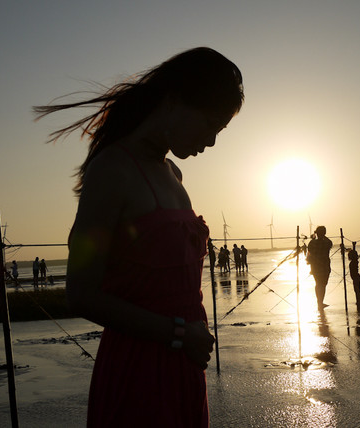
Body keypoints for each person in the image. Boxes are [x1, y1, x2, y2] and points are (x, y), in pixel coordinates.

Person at [34, 47, 243, 427]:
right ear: (175, 100)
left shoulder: (174, 175)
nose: (211, 141)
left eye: (220, 130)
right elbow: (80, 293)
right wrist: (179, 333)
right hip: (140, 373)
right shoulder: (112, 170)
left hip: (184, 368)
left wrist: (189, 338)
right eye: (210, 124)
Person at [306, 225, 333, 308]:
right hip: (325, 267)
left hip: (315, 267)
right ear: (324, 233)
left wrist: (314, 236)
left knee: (318, 284)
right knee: (323, 285)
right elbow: (330, 244)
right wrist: (323, 236)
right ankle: (320, 302)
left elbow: (309, 250)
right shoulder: (326, 242)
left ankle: (319, 302)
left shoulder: (312, 243)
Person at [348, 243, 360, 311]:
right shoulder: (354, 261)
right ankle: (358, 301)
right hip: (356, 278)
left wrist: (354, 246)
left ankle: (359, 301)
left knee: (357, 290)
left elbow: (354, 253)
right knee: (357, 290)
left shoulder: (354, 261)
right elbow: (354, 253)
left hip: (356, 278)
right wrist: (354, 246)